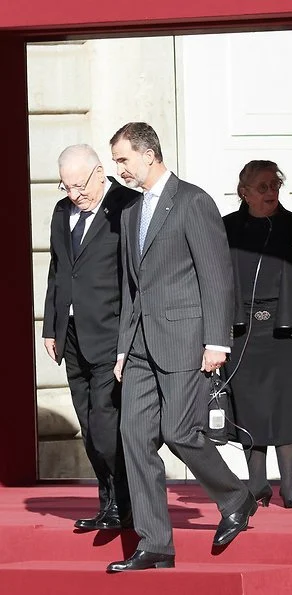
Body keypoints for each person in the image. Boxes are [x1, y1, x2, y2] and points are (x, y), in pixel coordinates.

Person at [107, 122, 257, 572]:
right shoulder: (131, 213)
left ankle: (235, 496)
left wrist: (217, 341)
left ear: (148, 154)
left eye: (122, 159)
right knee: (134, 438)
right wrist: (120, 348)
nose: (120, 168)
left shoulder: (193, 201)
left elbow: (216, 276)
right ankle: (155, 544)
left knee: (178, 432)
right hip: (137, 348)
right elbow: (131, 288)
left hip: (185, 341)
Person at [223, 160, 292, 509]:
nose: (271, 192)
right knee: (250, 406)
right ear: (244, 192)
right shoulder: (224, 228)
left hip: (287, 330)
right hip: (243, 331)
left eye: (275, 185)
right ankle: (256, 483)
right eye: (263, 187)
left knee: (287, 408)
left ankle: (289, 485)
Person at [43, 144, 139, 529]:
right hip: (70, 337)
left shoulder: (127, 205)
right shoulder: (62, 211)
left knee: (106, 426)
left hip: (110, 334)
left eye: (80, 186)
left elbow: (136, 275)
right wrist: (50, 326)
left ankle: (127, 500)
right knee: (88, 424)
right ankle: (109, 502)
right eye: (65, 187)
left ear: (101, 173)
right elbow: (58, 270)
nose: (74, 195)